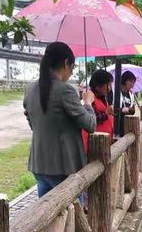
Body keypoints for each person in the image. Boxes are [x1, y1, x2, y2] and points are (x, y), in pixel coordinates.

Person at [24, 41, 96, 197]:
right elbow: (90, 125)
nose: (71, 72)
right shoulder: (65, 90)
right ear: (66, 63)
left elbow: (31, 122)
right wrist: (88, 103)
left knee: (46, 213)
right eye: (72, 67)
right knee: (71, 216)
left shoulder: (30, 89)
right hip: (63, 166)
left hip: (39, 163)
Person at [82, 69, 114, 154]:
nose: (109, 88)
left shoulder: (103, 97)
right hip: (94, 146)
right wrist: (106, 113)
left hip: (103, 144)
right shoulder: (89, 98)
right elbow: (93, 119)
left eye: (110, 85)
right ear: (98, 86)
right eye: (107, 85)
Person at [119, 70, 137, 136]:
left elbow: (133, 110)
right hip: (118, 126)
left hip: (127, 126)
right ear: (126, 81)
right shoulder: (116, 93)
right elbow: (112, 110)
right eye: (131, 82)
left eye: (133, 83)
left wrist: (129, 109)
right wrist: (122, 110)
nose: (132, 86)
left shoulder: (131, 95)